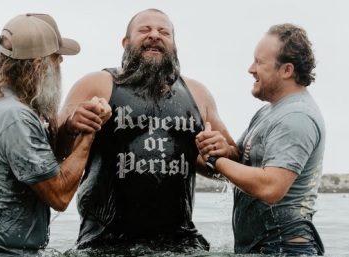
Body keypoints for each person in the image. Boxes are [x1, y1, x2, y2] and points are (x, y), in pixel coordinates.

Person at [57, 8, 239, 253]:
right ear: (125, 43)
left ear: (173, 45)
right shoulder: (97, 84)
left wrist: (220, 151)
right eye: (145, 30)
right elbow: (55, 150)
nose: (155, 35)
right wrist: (70, 125)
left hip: (180, 241)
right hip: (104, 242)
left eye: (164, 32)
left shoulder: (198, 93)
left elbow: (232, 164)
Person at [0, 13, 111, 255]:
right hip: (7, 252)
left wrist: (71, 127)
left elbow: (37, 158)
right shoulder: (16, 118)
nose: (61, 62)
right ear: (37, 65)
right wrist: (91, 130)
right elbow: (60, 195)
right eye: (56, 57)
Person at [196, 23, 326, 255]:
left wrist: (216, 161)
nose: (250, 69)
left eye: (259, 62)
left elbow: (271, 187)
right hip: (264, 247)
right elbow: (238, 161)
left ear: (286, 70)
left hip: (286, 249)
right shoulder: (269, 112)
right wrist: (221, 151)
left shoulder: (296, 117)